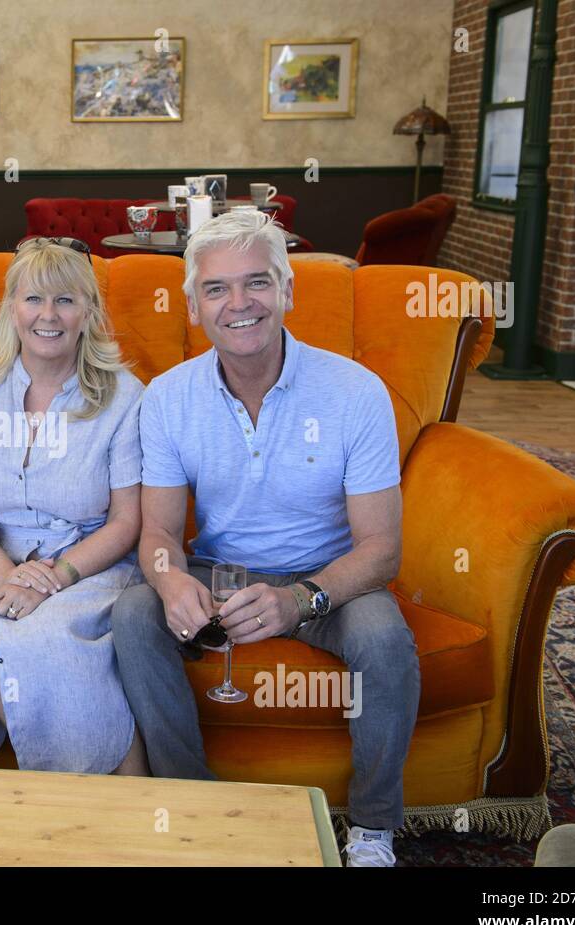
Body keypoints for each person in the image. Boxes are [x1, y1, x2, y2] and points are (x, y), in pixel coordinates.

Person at [110, 208, 418, 866]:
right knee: (134, 613)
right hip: (221, 572)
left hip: (328, 577)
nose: (239, 303)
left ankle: (371, 829)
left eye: (257, 283)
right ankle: (194, 803)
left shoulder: (355, 393)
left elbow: (380, 551)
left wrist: (299, 600)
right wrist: (168, 579)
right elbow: (160, 530)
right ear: (194, 306)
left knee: (384, 636)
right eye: (217, 289)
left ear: (287, 291)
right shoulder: (167, 397)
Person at [0, 237, 148, 775]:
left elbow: (128, 521)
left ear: (88, 312)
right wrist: (9, 575)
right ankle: (68, 800)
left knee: (49, 639)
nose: (48, 316)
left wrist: (53, 577)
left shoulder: (123, 395)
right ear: (11, 309)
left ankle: (113, 796)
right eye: (34, 299)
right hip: (2, 562)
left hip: (91, 562)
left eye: (66, 301)